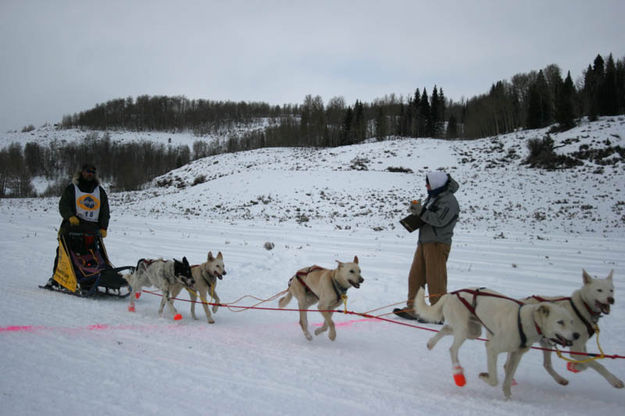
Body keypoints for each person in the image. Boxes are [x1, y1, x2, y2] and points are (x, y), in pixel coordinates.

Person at [394, 170, 460, 321]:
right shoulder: (433, 197)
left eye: (428, 183)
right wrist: (416, 213)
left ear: (436, 184)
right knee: (415, 277)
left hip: (437, 244)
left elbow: (439, 220)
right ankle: (414, 309)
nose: (426, 186)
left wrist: (422, 211)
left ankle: (438, 313)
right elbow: (427, 216)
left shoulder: (449, 201)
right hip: (424, 242)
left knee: (435, 279)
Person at [45, 163, 110, 287]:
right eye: (87, 171)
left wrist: (104, 227)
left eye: (92, 172)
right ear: (82, 172)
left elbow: (105, 210)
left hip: (92, 228)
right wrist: (69, 216)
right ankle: (57, 278)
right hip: (72, 227)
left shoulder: (99, 191)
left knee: (93, 255)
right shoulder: (72, 188)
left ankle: (92, 277)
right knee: (64, 253)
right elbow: (63, 205)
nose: (90, 173)